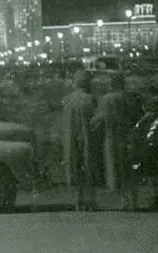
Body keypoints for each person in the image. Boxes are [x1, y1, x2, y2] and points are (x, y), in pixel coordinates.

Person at [91, 72, 144, 210]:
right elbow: (140, 116)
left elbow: (97, 122)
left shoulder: (105, 100)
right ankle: (134, 200)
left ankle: (124, 200)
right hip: (131, 137)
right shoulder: (132, 97)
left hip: (112, 138)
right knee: (131, 170)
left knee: (116, 170)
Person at [61, 70, 98, 211]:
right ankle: (91, 200)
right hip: (87, 137)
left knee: (74, 167)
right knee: (88, 167)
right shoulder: (90, 98)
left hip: (70, 138)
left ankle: (78, 200)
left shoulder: (66, 100)